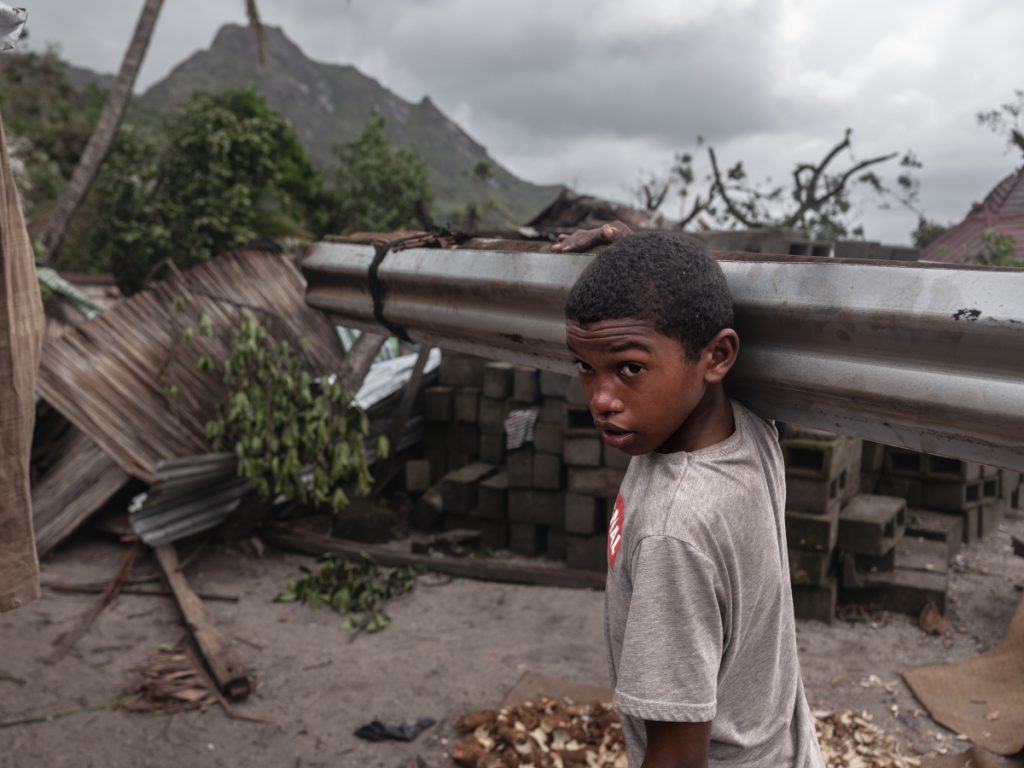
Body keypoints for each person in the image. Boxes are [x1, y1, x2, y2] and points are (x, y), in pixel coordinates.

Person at [558, 226, 824, 767]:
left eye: (629, 368)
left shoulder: (671, 533)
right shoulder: (748, 428)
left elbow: (677, 759)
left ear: (717, 356)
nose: (601, 399)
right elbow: (679, 314)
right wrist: (637, 246)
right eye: (585, 367)